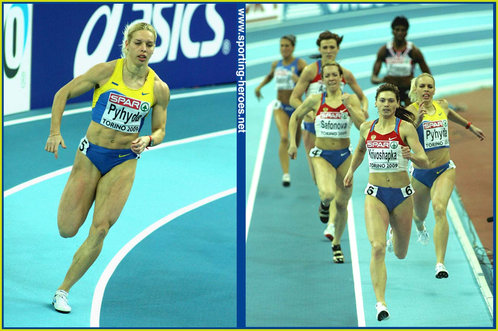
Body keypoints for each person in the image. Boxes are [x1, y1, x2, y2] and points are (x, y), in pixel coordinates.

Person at [44, 22, 170, 313]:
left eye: (149, 45)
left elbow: (161, 129)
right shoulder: (105, 72)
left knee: (100, 230)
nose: (143, 49)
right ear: (126, 45)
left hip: (124, 162)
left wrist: (149, 139)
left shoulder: (159, 88)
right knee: (67, 229)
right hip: (90, 156)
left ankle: (63, 291)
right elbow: (62, 94)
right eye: (138, 43)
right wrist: (54, 131)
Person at [343, 83, 429, 321]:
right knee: (377, 247)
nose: (387, 105)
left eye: (391, 101)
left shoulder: (406, 128)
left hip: (402, 195)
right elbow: (360, 151)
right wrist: (351, 171)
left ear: (397, 103)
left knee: (400, 253)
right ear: (376, 103)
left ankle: (394, 235)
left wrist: (411, 155)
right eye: (383, 100)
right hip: (376, 194)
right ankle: (380, 303)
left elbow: (424, 160)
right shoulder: (365, 127)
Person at [289, 31, 368, 240]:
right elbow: (294, 98)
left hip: (339, 131)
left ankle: (332, 225)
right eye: (325, 47)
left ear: (337, 49)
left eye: (332, 47)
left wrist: (363, 109)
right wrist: (309, 112)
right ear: (320, 49)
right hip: (312, 131)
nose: (329, 51)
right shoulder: (309, 71)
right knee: (320, 182)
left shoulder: (344, 73)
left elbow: (362, 97)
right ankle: (325, 204)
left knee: (336, 185)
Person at [405, 73, 485, 278]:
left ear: (434, 89)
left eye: (430, 86)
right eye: (422, 86)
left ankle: (440, 263)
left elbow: (451, 115)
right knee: (418, 215)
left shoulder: (443, 105)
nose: (426, 90)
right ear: (415, 89)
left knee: (440, 207)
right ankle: (420, 226)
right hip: (422, 172)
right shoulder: (409, 112)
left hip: (444, 169)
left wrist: (470, 126)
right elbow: (402, 137)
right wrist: (417, 122)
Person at [255, 35, 307, 186]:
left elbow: (307, 82)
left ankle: (293, 149)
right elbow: (270, 76)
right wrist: (259, 86)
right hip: (281, 108)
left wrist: (295, 78)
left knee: (295, 143)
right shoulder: (275, 64)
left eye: (287, 46)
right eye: (282, 45)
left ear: (293, 47)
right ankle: (286, 174)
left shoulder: (300, 64)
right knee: (284, 138)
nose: (284, 48)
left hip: (297, 108)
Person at [371, 16, 431, 107]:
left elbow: (427, 76)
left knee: (410, 114)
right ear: (392, 31)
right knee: (392, 112)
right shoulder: (384, 50)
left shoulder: (413, 51)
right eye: (397, 30)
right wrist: (382, 80)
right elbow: (373, 78)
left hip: (409, 90)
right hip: (392, 91)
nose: (400, 33)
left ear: (406, 32)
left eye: (403, 30)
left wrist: (418, 84)